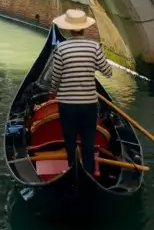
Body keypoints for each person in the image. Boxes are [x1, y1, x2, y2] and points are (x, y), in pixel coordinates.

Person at [44, 9, 112, 175]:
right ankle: (87, 172)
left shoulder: (61, 49)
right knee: (88, 141)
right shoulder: (94, 47)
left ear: (68, 29)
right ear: (84, 28)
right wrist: (91, 64)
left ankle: (73, 169)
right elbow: (108, 72)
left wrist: (53, 92)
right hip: (88, 104)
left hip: (67, 105)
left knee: (70, 140)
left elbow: (56, 78)